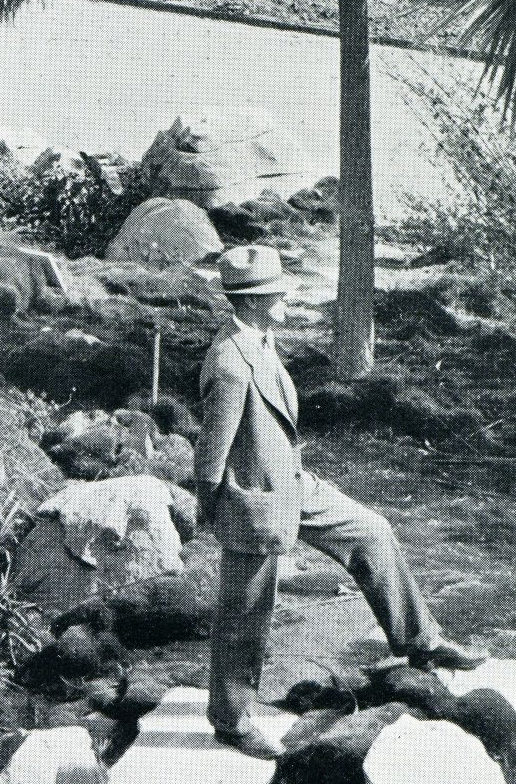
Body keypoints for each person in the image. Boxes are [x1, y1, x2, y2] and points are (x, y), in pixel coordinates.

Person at [195, 243, 482, 760]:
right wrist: (217, 510)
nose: (287, 298)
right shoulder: (230, 362)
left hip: (291, 483)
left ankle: (421, 641)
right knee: (245, 613)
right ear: (254, 301)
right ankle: (232, 722)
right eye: (278, 293)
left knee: (371, 531)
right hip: (253, 500)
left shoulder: (260, 339)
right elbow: (211, 452)